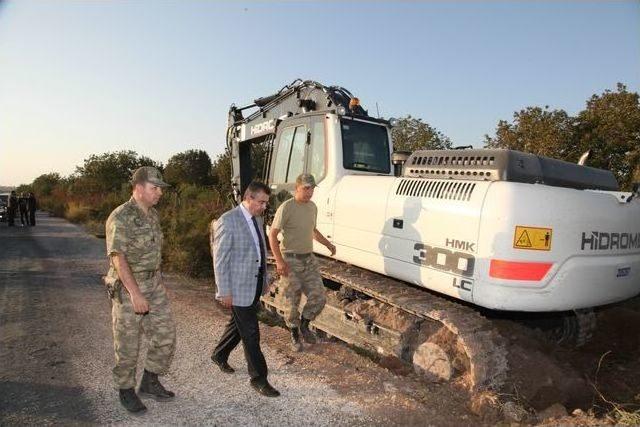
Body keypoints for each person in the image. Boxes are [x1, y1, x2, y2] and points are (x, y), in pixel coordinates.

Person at [104, 166, 176, 413]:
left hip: (153, 284)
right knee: (128, 345)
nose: (159, 193)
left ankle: (149, 381)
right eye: (154, 188)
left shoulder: (152, 215)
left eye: (160, 189)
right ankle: (125, 390)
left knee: (166, 336)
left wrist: (160, 282)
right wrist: (135, 293)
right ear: (138, 188)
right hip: (128, 287)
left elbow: (155, 254)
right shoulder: (121, 216)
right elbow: (118, 258)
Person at [210, 181, 280, 397]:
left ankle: (220, 354)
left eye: (266, 203)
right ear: (249, 198)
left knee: (238, 324)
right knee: (251, 333)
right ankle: (259, 378)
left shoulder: (257, 219)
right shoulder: (227, 221)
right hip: (238, 288)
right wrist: (224, 291)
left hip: (254, 284)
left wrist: (265, 280)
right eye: (261, 202)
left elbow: (261, 252)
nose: (264, 207)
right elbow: (220, 260)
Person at [268, 174, 336, 352]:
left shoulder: (312, 207)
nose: (310, 192)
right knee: (292, 300)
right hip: (290, 259)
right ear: (296, 188)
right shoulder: (287, 207)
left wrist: (328, 244)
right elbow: (273, 235)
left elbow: (312, 230)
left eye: (312, 188)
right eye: (306, 188)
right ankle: (294, 333)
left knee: (319, 296)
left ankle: (305, 324)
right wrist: (279, 261)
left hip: (308, 259)